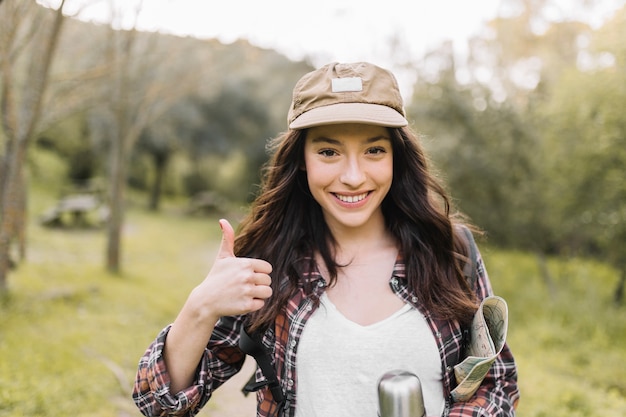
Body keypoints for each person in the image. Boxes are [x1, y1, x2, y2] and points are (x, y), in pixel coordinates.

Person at [132, 62, 519, 417]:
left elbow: (495, 382)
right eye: (329, 151)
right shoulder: (269, 264)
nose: (352, 176)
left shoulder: (449, 251)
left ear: (396, 158)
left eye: (373, 150)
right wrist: (201, 306)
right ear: (302, 159)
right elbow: (158, 406)